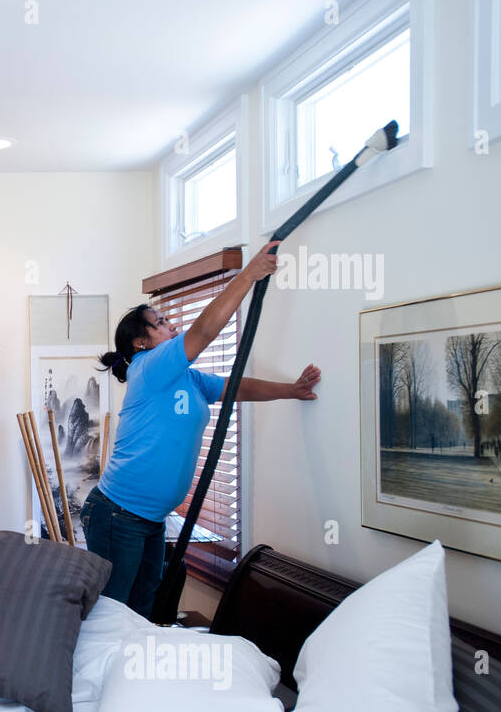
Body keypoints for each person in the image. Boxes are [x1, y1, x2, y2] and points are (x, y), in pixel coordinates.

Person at [80, 241, 322, 617]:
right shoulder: (150, 367)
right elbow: (205, 331)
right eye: (160, 323)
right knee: (112, 617)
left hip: (151, 520)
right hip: (118, 515)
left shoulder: (187, 379)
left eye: (168, 320)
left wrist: (290, 391)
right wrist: (249, 274)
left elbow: (238, 387)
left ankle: (137, 676)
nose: (171, 325)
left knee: (142, 615)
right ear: (140, 342)